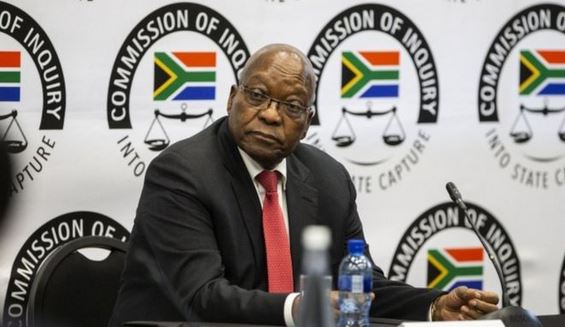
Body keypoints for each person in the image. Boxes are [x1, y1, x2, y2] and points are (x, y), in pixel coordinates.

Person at [108, 44, 499, 326]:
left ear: (307, 121)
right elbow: (201, 297)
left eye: (292, 106)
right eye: (257, 96)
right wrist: (300, 308)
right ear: (232, 99)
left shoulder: (328, 179)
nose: (270, 115)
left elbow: (360, 285)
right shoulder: (182, 172)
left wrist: (434, 307)